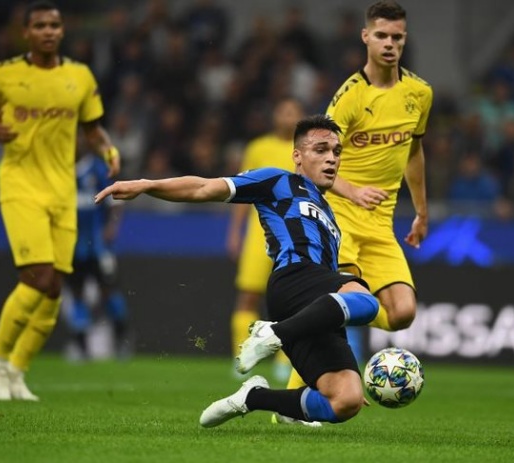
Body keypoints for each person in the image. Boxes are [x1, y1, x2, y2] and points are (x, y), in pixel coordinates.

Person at [94, 115, 379, 427]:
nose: (331, 158)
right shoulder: (277, 181)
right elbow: (204, 187)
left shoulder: (328, 213)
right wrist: (148, 185)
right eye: (321, 150)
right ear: (297, 156)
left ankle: (253, 397)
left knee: (345, 400)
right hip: (294, 279)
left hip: (311, 304)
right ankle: (272, 334)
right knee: (367, 302)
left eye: (336, 152)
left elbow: (330, 290)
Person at [282, 0, 434, 397]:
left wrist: (421, 211)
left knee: (402, 313)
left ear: (404, 39)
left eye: (396, 37)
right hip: (340, 217)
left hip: (381, 224)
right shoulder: (349, 96)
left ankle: (308, 325)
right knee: (344, 302)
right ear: (366, 37)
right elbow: (314, 159)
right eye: (381, 35)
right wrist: (352, 190)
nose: (389, 44)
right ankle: (296, 397)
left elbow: (414, 153)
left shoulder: (419, 93)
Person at [0, 1, 120, 401]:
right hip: (20, 184)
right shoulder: (2, 74)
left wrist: (107, 149)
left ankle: (16, 372)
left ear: (62, 31)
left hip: (63, 190)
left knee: (52, 291)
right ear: (26, 32)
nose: (48, 31)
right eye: (40, 25)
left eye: (54, 25)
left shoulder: (79, 76)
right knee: (39, 277)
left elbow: (92, 129)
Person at [225, 97, 304, 381]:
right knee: (248, 295)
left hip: (296, 232)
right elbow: (240, 192)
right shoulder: (257, 148)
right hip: (259, 233)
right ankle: (242, 357)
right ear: (274, 116)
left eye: (293, 112)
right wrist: (235, 232)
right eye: (283, 112)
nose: (287, 117)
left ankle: (287, 360)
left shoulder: (306, 150)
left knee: (295, 299)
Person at [65, 145, 130, 361]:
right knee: (76, 294)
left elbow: (116, 201)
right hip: (72, 247)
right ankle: (81, 348)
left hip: (98, 247)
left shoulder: (97, 168)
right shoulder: (61, 169)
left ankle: (122, 339)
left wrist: (112, 226)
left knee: (108, 291)